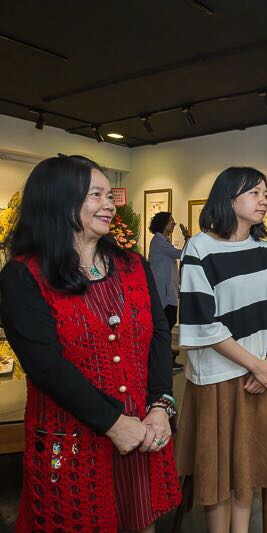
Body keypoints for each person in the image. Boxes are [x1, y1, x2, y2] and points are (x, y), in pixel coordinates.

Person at [0, 154, 181, 532]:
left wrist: (161, 405)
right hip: (72, 445)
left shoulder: (133, 264)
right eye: (95, 194)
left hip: (142, 432)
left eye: (108, 195)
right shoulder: (23, 275)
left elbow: (159, 338)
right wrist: (115, 424)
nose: (109, 204)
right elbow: (47, 367)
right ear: (59, 201)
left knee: (141, 523)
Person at [174, 167, 267, 533]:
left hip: (261, 377)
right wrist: (256, 365)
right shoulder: (200, 247)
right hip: (220, 380)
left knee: (248, 471)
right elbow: (204, 324)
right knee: (218, 478)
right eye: (255, 192)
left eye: (265, 193)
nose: (263, 200)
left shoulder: (263, 247)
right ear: (229, 198)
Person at [147, 211, 191, 370]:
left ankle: (167, 361)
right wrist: (187, 238)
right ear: (162, 223)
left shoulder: (164, 241)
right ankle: (164, 362)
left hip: (169, 292)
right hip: (163, 294)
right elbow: (184, 254)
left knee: (168, 325)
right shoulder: (159, 242)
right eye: (170, 221)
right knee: (165, 326)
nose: (173, 223)